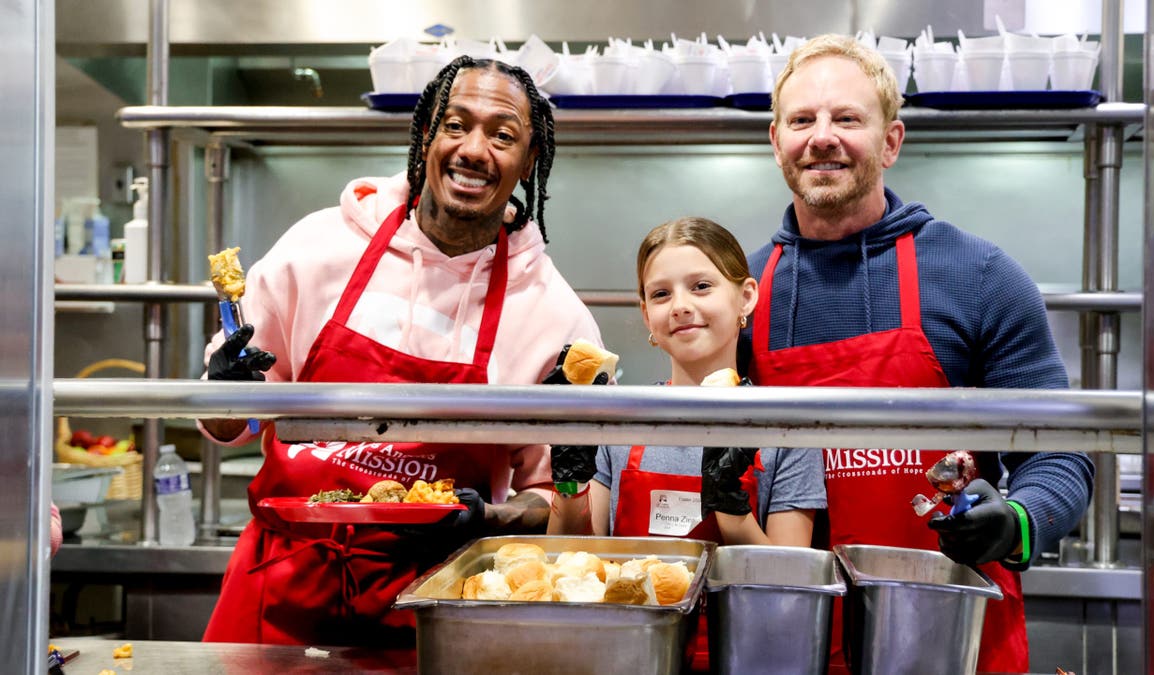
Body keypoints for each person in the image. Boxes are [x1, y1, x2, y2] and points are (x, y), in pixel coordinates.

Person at [197, 56, 604, 646]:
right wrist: (221, 389)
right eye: (456, 125)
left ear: (529, 160)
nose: (472, 149)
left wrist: (485, 520)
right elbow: (230, 423)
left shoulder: (552, 314)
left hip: (429, 607)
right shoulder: (319, 247)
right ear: (425, 135)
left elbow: (558, 495)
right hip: (274, 588)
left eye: (503, 134)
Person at [746, 34, 1095, 673]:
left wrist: (1016, 520)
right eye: (802, 120)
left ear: (891, 142)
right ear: (776, 142)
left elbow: (1061, 453)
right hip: (790, 643)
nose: (822, 136)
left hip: (949, 638)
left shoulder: (978, 274)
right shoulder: (743, 291)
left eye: (847, 118)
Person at [548, 217, 826, 547]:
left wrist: (728, 503)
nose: (680, 306)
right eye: (662, 294)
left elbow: (786, 586)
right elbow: (568, 560)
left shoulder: (788, 433)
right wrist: (570, 481)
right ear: (647, 314)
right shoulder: (617, 420)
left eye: (701, 287)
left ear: (746, 298)